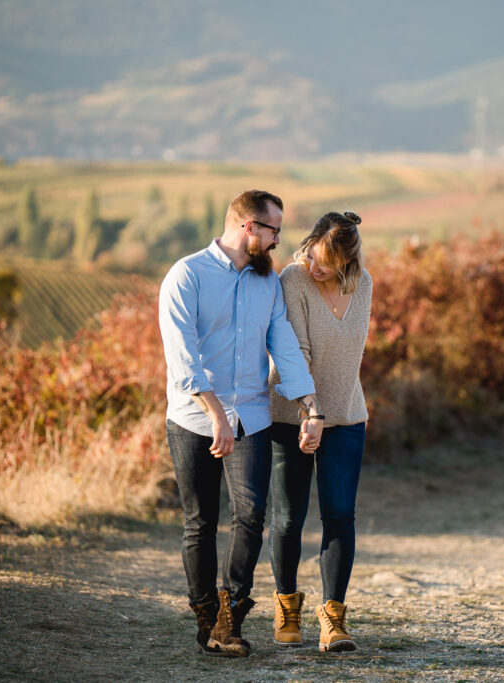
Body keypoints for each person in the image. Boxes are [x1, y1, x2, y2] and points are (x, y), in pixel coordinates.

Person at [158, 189, 325, 658]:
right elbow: (183, 360)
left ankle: (230, 617)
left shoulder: (266, 282)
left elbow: (286, 349)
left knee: (251, 516)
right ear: (249, 226)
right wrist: (216, 416)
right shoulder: (186, 274)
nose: (278, 240)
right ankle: (207, 616)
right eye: (273, 229)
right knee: (200, 521)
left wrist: (311, 407)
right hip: (193, 419)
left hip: (251, 416)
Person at [267, 210, 371, 653]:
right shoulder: (293, 279)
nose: (316, 266)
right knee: (289, 518)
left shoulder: (363, 284)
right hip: (292, 416)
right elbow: (298, 351)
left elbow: (351, 356)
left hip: (347, 415)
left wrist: (331, 413)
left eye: (326, 261)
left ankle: (334, 618)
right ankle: (286, 607)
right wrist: (310, 412)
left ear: (347, 262)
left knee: (339, 516)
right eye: (313, 253)